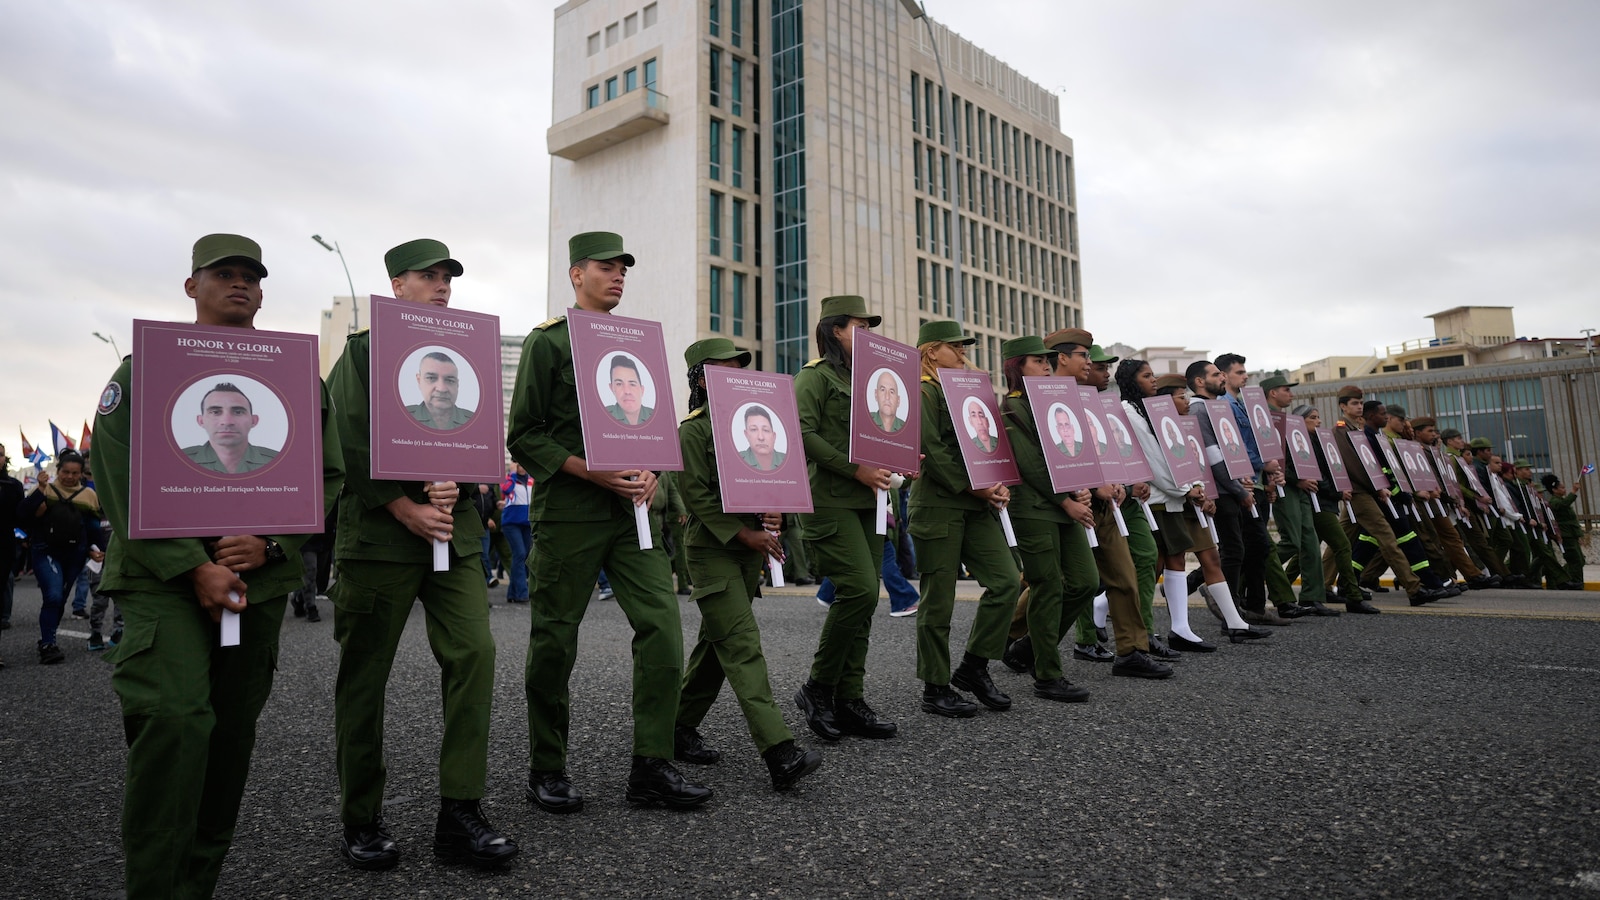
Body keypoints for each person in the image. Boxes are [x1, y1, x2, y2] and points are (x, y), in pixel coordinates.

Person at [96, 234, 344, 898]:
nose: (240, 285)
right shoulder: (142, 369)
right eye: (223, 274)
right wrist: (192, 565)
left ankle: (195, 886)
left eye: (251, 277)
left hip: (256, 584)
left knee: (228, 746)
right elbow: (116, 479)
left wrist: (273, 545)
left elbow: (327, 474)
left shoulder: (299, 378)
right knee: (175, 726)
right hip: (163, 583)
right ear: (191, 286)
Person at [328, 237, 517, 871]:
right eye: (427, 276)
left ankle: (460, 811)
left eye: (447, 279)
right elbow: (346, 440)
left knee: (475, 655)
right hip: (383, 537)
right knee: (365, 676)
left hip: (455, 534)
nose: (441, 287)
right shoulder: (364, 352)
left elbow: (476, 438)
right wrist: (403, 505)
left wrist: (464, 481)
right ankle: (361, 816)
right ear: (395, 287)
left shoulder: (467, 355)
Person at [509, 231, 710, 811]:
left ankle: (651, 763)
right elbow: (523, 435)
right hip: (571, 511)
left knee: (663, 628)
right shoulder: (548, 344)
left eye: (624, 267)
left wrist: (651, 471)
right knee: (554, 640)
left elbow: (650, 426)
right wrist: (589, 472)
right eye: (606, 266)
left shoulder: (638, 344)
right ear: (576, 274)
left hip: (634, 516)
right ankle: (547, 767)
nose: (618, 275)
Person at [672, 337, 824, 790]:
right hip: (712, 549)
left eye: (740, 367)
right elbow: (696, 496)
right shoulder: (693, 431)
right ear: (700, 377)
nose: (737, 375)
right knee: (741, 645)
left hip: (746, 552)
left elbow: (776, 477)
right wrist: (745, 532)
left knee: (715, 649)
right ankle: (780, 751)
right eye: (724, 368)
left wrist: (777, 511)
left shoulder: (754, 425)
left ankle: (675, 729)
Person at [792, 295, 902, 741]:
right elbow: (800, 432)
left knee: (866, 599)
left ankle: (849, 698)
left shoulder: (873, 382)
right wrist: (854, 467)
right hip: (832, 499)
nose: (869, 334)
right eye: (860, 326)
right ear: (836, 329)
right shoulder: (813, 378)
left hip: (871, 503)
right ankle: (818, 688)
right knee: (857, 589)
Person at [907, 320, 1021, 718]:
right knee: (938, 601)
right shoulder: (923, 390)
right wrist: (977, 487)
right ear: (931, 351)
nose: (962, 353)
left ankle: (973, 667)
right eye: (954, 347)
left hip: (975, 504)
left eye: (963, 347)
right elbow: (931, 449)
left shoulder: (964, 391)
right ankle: (935, 686)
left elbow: (986, 443)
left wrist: (997, 481)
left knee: (1006, 582)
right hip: (939, 504)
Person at [1260, 376, 1337, 616]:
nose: (1291, 395)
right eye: (1286, 390)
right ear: (1272, 393)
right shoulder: (1264, 419)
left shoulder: (1289, 421)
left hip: (1301, 487)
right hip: (1286, 486)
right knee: (1291, 541)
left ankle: (1311, 597)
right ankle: (1239, 581)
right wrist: (1296, 479)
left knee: (1310, 543)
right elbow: (1275, 459)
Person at [20, 450, 106, 663]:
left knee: (60, 599)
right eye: (65, 472)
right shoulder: (44, 489)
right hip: (45, 551)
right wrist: (40, 490)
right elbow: (22, 514)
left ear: (81, 474)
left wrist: (97, 548)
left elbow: (93, 527)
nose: (69, 476)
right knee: (54, 595)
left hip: (75, 554)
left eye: (75, 473)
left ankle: (48, 638)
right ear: (57, 471)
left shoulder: (89, 495)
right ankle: (48, 644)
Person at [182, 384, 279, 474]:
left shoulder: (278, 462)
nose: (227, 421)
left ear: (253, 421)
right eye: (215, 412)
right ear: (201, 421)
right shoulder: (179, 461)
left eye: (238, 412)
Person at [1541, 473, 1587, 590]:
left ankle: (1564, 578)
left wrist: (1579, 535)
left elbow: (1572, 520)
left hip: (1572, 534)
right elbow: (1564, 504)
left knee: (1580, 560)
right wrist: (1573, 492)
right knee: (1575, 560)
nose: (1564, 489)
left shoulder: (1560, 499)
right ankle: (1575, 582)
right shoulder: (1554, 501)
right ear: (1554, 490)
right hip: (1565, 535)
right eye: (1561, 487)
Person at [408, 351, 474, 430]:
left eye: (450, 380)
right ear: (419, 380)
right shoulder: (401, 417)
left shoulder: (475, 422)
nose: (441, 389)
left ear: (457, 385)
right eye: (431, 378)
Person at [499, 464, 533, 602]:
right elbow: (506, 490)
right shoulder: (508, 479)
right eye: (518, 465)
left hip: (527, 523)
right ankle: (522, 593)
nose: (522, 467)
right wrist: (512, 475)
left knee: (522, 557)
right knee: (519, 553)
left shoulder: (531, 480)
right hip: (511, 523)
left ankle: (512, 593)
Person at [604, 353, 655, 426]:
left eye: (632, 384)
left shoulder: (656, 417)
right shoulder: (602, 415)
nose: (627, 391)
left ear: (642, 390)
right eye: (619, 384)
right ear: (612, 388)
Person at [739, 405, 786, 470]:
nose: (761, 437)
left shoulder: (788, 461)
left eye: (766, 430)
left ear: (774, 436)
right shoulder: (736, 459)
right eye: (754, 429)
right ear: (746, 435)